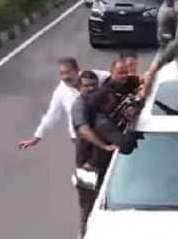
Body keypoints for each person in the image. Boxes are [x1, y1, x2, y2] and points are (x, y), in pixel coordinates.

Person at [71, 59, 141, 236]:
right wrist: (106, 145)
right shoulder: (83, 108)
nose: (90, 89)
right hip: (88, 167)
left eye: (94, 85)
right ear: (79, 87)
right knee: (88, 206)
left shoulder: (98, 107)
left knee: (104, 204)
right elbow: (85, 131)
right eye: (86, 86)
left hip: (102, 163)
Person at [17, 57, 109, 150]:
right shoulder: (60, 92)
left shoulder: (91, 76)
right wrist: (36, 138)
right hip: (82, 137)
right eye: (62, 73)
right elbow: (51, 116)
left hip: (104, 126)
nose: (65, 77)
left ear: (77, 70)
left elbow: (113, 76)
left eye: (68, 72)